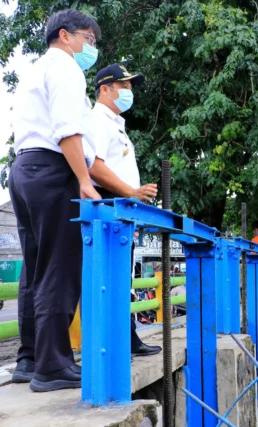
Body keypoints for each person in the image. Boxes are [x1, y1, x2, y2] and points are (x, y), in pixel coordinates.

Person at [9, 10, 102, 392]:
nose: (90, 48)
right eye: (89, 40)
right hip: (53, 169)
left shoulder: (33, 70)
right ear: (65, 35)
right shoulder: (65, 68)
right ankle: (52, 365)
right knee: (59, 268)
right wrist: (83, 179)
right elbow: (67, 129)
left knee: (34, 269)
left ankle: (29, 359)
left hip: (24, 169)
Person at [85, 63, 161, 356]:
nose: (130, 92)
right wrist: (131, 191)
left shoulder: (115, 124)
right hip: (107, 204)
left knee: (121, 277)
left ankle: (124, 338)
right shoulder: (97, 121)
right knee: (110, 278)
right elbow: (95, 166)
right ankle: (114, 343)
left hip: (121, 207)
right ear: (105, 89)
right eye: (125, 86)